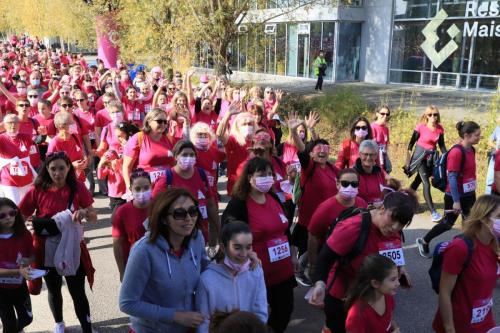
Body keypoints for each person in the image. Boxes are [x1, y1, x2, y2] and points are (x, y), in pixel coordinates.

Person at [309, 190, 418, 333]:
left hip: (374, 296)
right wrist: (320, 284)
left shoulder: (393, 232)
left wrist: (400, 269)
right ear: (382, 209)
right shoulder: (353, 227)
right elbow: (325, 257)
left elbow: (393, 257)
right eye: (393, 219)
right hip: (343, 298)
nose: (395, 227)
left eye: (402, 223)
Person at [19, 151, 97, 333]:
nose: (57, 173)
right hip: (46, 247)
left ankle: (87, 327)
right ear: (46, 169)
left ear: (69, 167)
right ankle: (59, 323)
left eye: (62, 168)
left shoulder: (77, 187)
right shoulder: (36, 190)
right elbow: (20, 217)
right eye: (53, 169)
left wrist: (85, 213)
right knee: (54, 288)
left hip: (72, 247)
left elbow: (93, 215)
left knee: (77, 290)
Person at [222, 157, 297, 333]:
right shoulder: (239, 203)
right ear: (249, 177)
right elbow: (228, 233)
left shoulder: (274, 198)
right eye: (262, 174)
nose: (267, 178)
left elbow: (285, 229)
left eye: (270, 174)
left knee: (284, 313)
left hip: (283, 271)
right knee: (255, 318)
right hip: (256, 274)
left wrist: (293, 253)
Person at [119, 188, 209, 333]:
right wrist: (175, 316)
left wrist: (238, 262)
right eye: (179, 213)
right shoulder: (143, 251)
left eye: (193, 211)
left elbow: (207, 271)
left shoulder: (196, 238)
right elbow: (127, 303)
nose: (189, 218)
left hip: (188, 328)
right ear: (164, 219)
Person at [432, 195, 500, 333]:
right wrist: (449, 328)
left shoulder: (495, 245)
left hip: (485, 322)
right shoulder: (460, 247)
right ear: (483, 218)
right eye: (499, 216)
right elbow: (444, 292)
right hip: (459, 323)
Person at [287, 111, 338, 286]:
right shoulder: (309, 167)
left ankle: (304, 267)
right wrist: (294, 132)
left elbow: (319, 145)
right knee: (307, 246)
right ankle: (302, 270)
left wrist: (313, 130)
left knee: (319, 246)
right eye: (318, 150)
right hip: (309, 218)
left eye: (326, 149)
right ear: (312, 154)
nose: (323, 152)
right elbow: (303, 150)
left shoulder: (332, 169)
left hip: (328, 218)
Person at [416, 121, 481, 258]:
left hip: (469, 194)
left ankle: (466, 250)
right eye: (477, 135)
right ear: (466, 135)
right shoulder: (456, 152)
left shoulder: (472, 150)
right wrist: (456, 201)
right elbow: (452, 177)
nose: (479, 137)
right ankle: (424, 241)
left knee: (469, 223)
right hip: (454, 195)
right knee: (448, 223)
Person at [196, 221, 268, 333]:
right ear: (223, 247)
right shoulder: (206, 279)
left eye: (248, 247)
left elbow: (261, 311)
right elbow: (203, 322)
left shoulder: (255, 271)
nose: (244, 254)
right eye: (237, 247)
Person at [307, 168, 368, 279]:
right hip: (331, 260)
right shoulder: (325, 208)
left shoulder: (362, 203)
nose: (350, 187)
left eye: (354, 184)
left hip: (354, 260)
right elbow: (313, 236)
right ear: (337, 184)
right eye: (345, 183)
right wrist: (313, 265)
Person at [405, 106, 447, 222]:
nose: (433, 117)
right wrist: (408, 160)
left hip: (431, 159)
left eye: (435, 114)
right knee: (426, 183)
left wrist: (447, 157)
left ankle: (404, 198)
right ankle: (433, 212)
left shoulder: (440, 128)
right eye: (430, 114)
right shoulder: (420, 127)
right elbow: (411, 144)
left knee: (417, 181)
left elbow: (442, 146)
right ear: (426, 116)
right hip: (420, 158)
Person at [0, 197, 34, 333]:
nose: (8, 218)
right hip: (1, 290)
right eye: (2, 215)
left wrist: (28, 261)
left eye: (12, 213)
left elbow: (32, 255)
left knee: (27, 318)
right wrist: (18, 271)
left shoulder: (24, 234)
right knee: (9, 324)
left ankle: (18, 328)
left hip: (20, 286)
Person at [344, 254, 401, 333]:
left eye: (397, 278)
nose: (398, 283)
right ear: (375, 283)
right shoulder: (357, 314)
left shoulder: (388, 297)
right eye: (393, 279)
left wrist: (395, 327)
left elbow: (388, 320)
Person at [122, 108, 176, 190]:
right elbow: (126, 167)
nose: (163, 124)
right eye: (159, 121)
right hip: (145, 188)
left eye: (165, 122)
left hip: (167, 187)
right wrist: (129, 187)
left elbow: (174, 164)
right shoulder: (138, 138)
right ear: (149, 122)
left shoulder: (169, 139)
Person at [112, 168, 151, 281]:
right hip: (134, 265)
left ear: (151, 186)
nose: (142, 192)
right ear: (131, 189)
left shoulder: (159, 207)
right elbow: (117, 244)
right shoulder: (122, 212)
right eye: (137, 189)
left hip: (158, 265)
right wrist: (122, 272)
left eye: (146, 188)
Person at [216, 103, 256, 195]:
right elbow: (219, 134)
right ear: (238, 126)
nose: (247, 126)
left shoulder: (257, 140)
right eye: (244, 124)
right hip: (237, 186)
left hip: (254, 185)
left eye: (250, 124)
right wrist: (228, 114)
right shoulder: (232, 140)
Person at [0, 114, 40, 205]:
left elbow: (37, 143)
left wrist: (43, 135)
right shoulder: (1, 138)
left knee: (25, 206)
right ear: (5, 125)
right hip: (8, 178)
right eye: (10, 123)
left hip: (25, 177)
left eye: (15, 122)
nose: (13, 125)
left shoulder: (26, 137)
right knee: (15, 205)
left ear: (19, 124)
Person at [48, 111, 88, 182]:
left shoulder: (74, 136)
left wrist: (84, 160)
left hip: (79, 180)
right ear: (61, 126)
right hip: (65, 182)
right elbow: (51, 167)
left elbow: (80, 151)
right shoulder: (54, 143)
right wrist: (72, 165)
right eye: (71, 123)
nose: (74, 124)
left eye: (73, 121)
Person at [353, 140, 391, 207]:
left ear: (376, 155)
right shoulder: (352, 174)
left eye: (371, 155)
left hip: (379, 210)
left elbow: (385, 191)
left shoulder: (379, 172)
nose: (368, 158)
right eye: (365, 154)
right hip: (360, 212)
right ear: (360, 154)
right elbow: (350, 198)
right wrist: (371, 205)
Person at [371, 105, 392, 173]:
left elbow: (386, 144)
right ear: (377, 114)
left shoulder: (386, 128)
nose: (385, 116)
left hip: (383, 155)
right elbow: (371, 146)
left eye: (387, 114)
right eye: (382, 113)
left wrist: (385, 157)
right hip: (375, 157)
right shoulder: (372, 127)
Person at [485, 115, 500, 194]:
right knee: (490, 181)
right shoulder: (497, 129)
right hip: (496, 158)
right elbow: (489, 141)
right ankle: (488, 200)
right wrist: (495, 146)